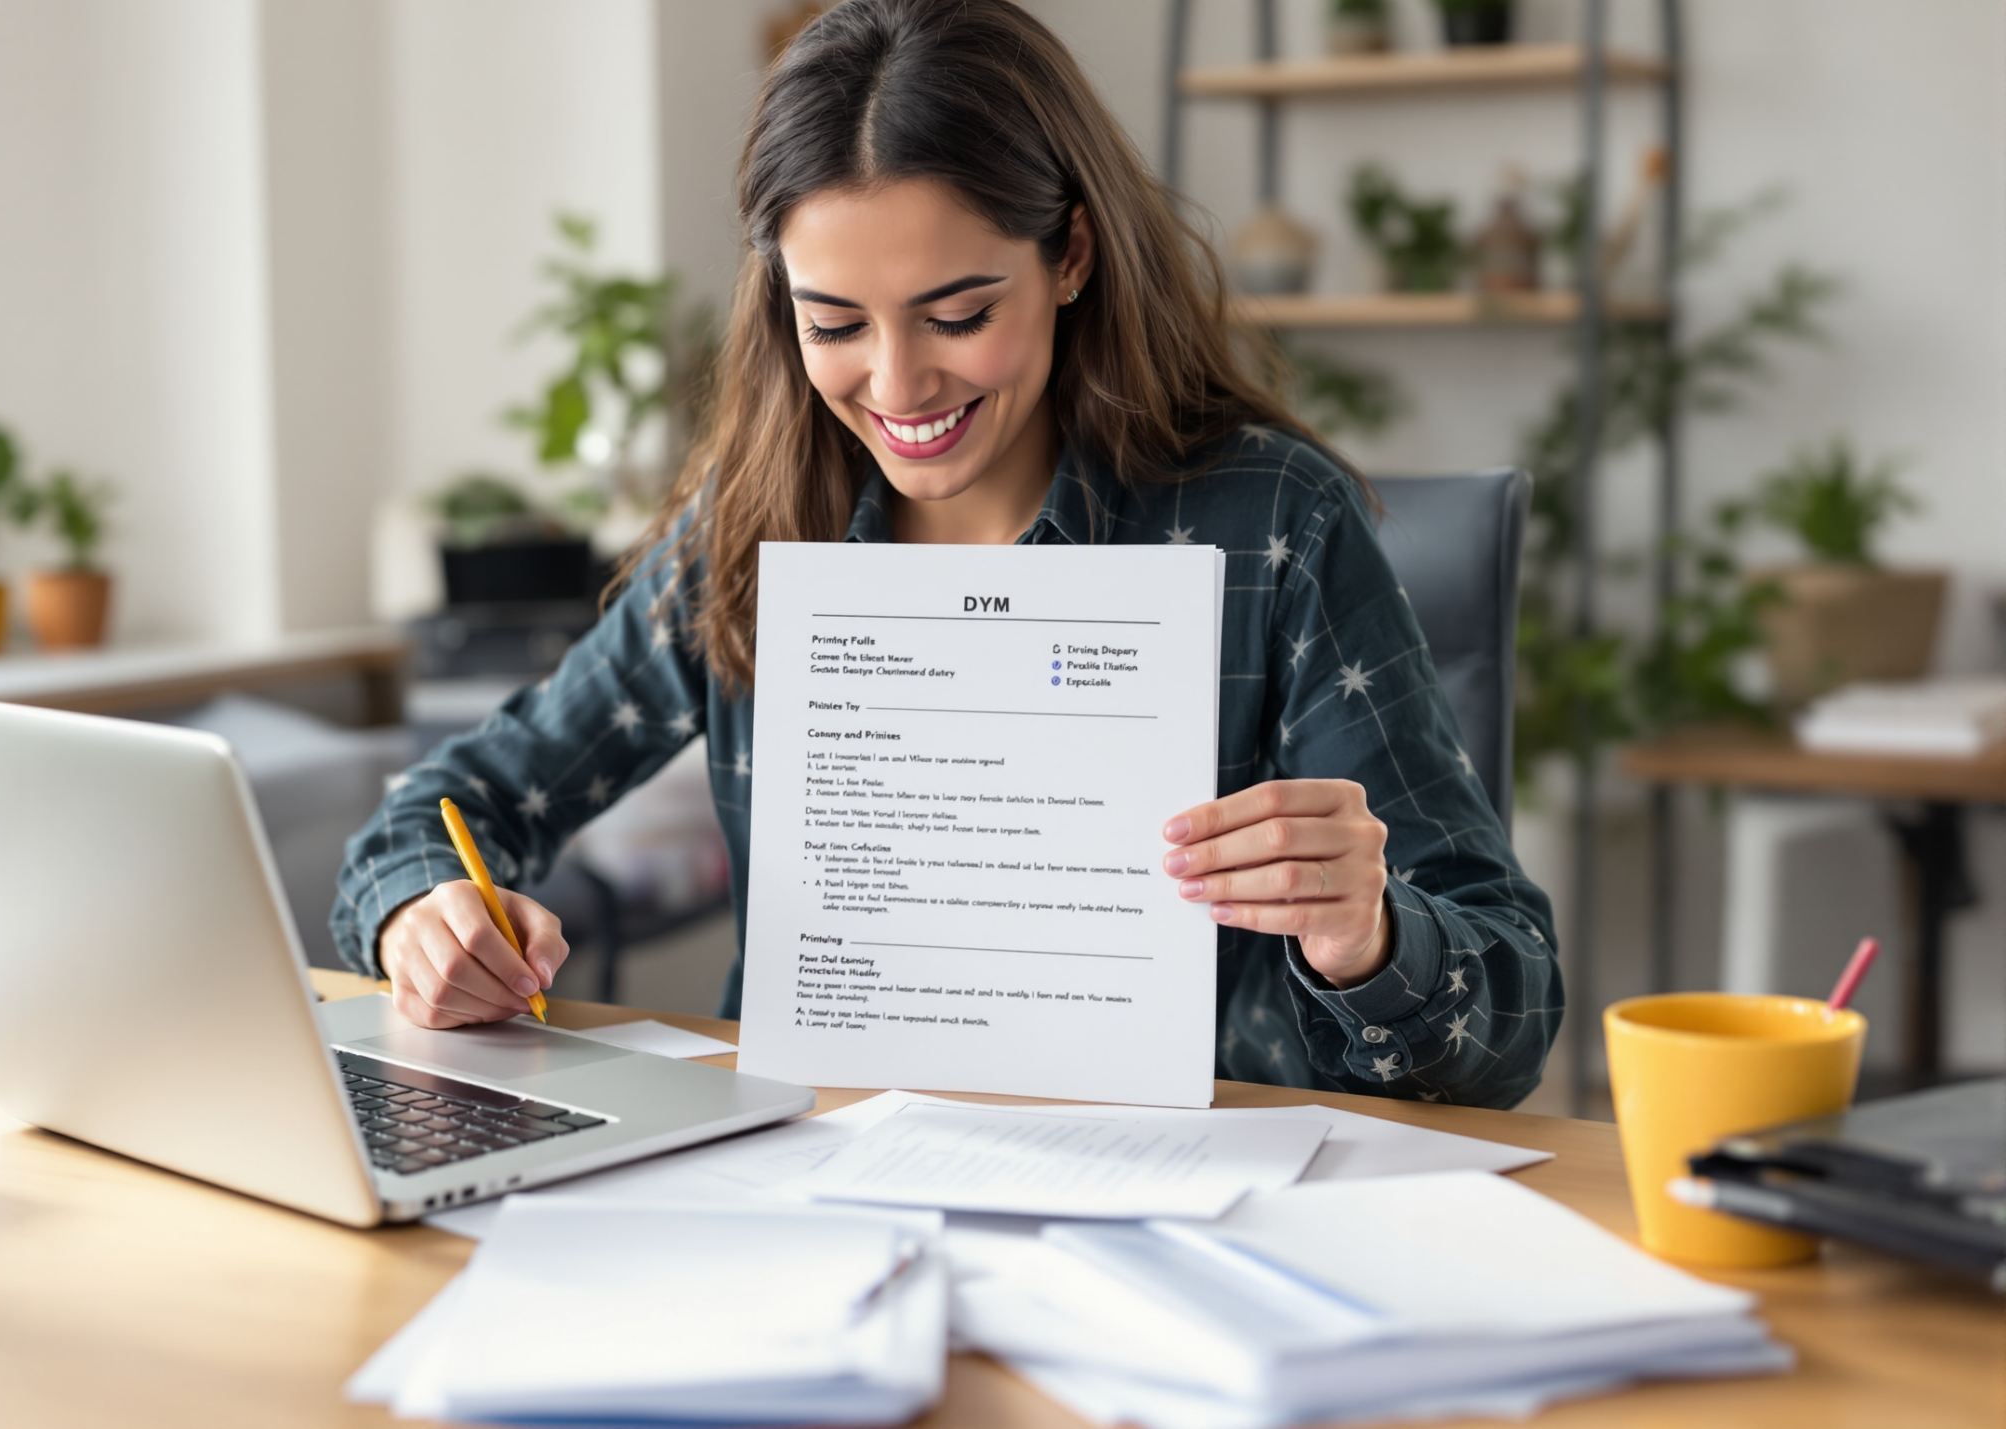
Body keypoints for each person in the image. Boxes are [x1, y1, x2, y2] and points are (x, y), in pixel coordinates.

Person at [334, 0, 1559, 1108]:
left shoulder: (1270, 522)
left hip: (1187, 1198)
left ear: (1070, 255)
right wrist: (421, 923)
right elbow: (441, 812)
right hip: (815, 1175)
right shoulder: (753, 525)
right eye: (834, 324)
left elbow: (1507, 1025)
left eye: (959, 314)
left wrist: (1373, 939)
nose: (899, 384)